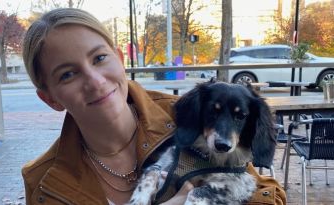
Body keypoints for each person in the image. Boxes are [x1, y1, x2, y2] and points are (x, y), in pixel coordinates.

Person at [21, 8, 286, 205]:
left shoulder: (187, 117)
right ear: (50, 98)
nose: (95, 81)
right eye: (67, 74)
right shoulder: (43, 181)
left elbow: (268, 195)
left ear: (120, 58)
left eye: (100, 57)